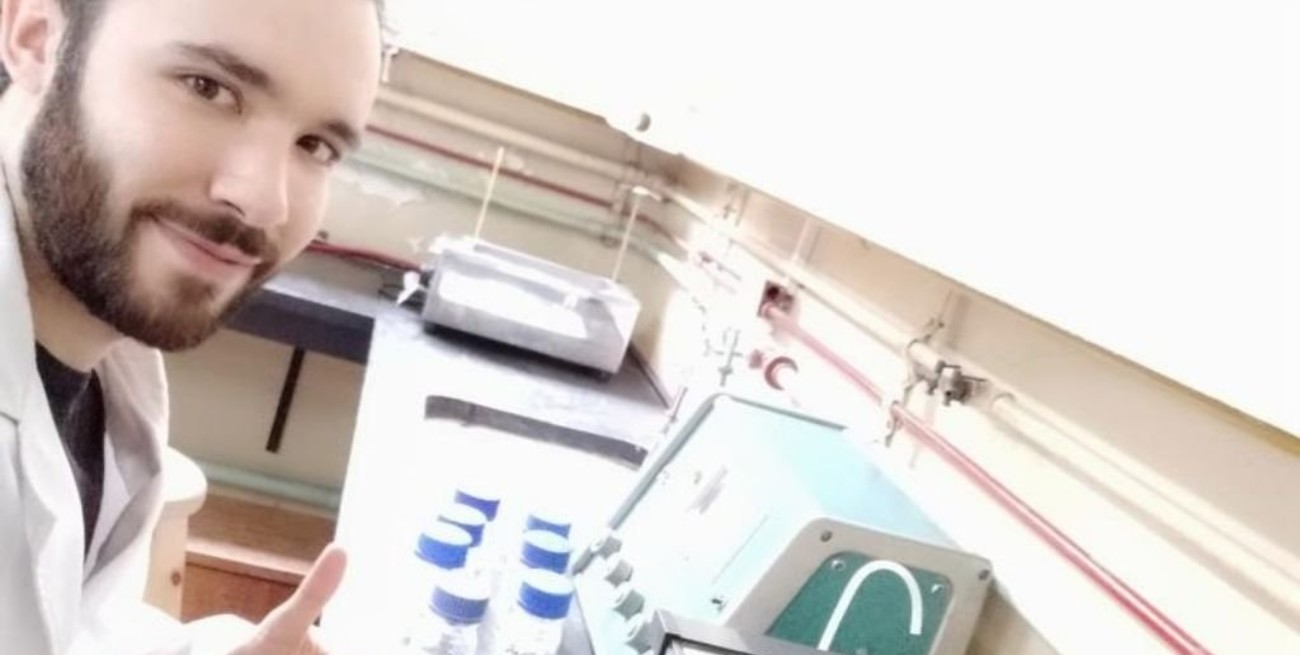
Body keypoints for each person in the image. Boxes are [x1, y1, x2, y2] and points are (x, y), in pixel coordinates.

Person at [0, 0, 382, 651]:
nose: (263, 200)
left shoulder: (95, 343)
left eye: (315, 146)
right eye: (208, 88)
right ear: (36, 38)